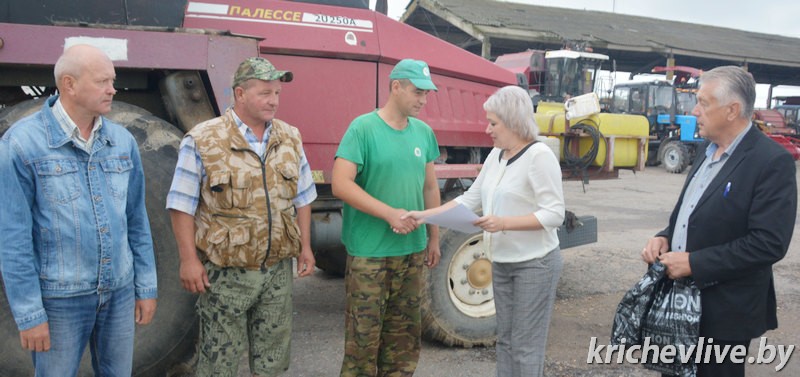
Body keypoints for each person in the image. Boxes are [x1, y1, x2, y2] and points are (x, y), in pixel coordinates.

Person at [0, 44, 158, 376]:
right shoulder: (22, 145)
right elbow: (12, 238)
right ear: (69, 84)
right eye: (103, 81)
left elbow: (136, 220)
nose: (112, 89)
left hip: (118, 292)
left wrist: (145, 287)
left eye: (112, 80)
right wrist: (30, 315)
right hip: (59, 301)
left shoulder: (122, 141)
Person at [641, 66, 797, 377]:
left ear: (732, 110)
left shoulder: (770, 162)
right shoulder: (705, 150)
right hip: (681, 305)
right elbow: (693, 213)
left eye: (703, 103)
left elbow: (769, 243)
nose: (694, 111)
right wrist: (665, 236)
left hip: (724, 313)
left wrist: (695, 263)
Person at [166, 57, 317, 376]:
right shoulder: (204, 139)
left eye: (276, 93)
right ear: (240, 94)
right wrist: (188, 260)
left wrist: (305, 247)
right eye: (265, 93)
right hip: (225, 274)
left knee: (273, 361)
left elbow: (303, 197)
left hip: (277, 271)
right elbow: (181, 204)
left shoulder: (289, 137)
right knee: (219, 362)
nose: (273, 100)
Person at [405, 85, 565, 377]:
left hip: (535, 263)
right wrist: (423, 216)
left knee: (526, 346)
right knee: (505, 342)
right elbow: (468, 200)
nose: (487, 129)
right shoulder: (496, 155)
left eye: (493, 123)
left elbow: (555, 214)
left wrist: (504, 223)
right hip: (501, 262)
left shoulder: (538, 156)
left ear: (514, 121)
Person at [332, 58, 442, 377]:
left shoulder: (423, 133)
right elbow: (340, 183)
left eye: (427, 94)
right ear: (396, 87)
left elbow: (430, 186)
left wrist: (433, 237)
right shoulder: (363, 128)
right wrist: (389, 214)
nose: (423, 100)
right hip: (370, 253)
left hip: (411, 251)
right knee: (363, 342)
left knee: (404, 341)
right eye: (417, 92)